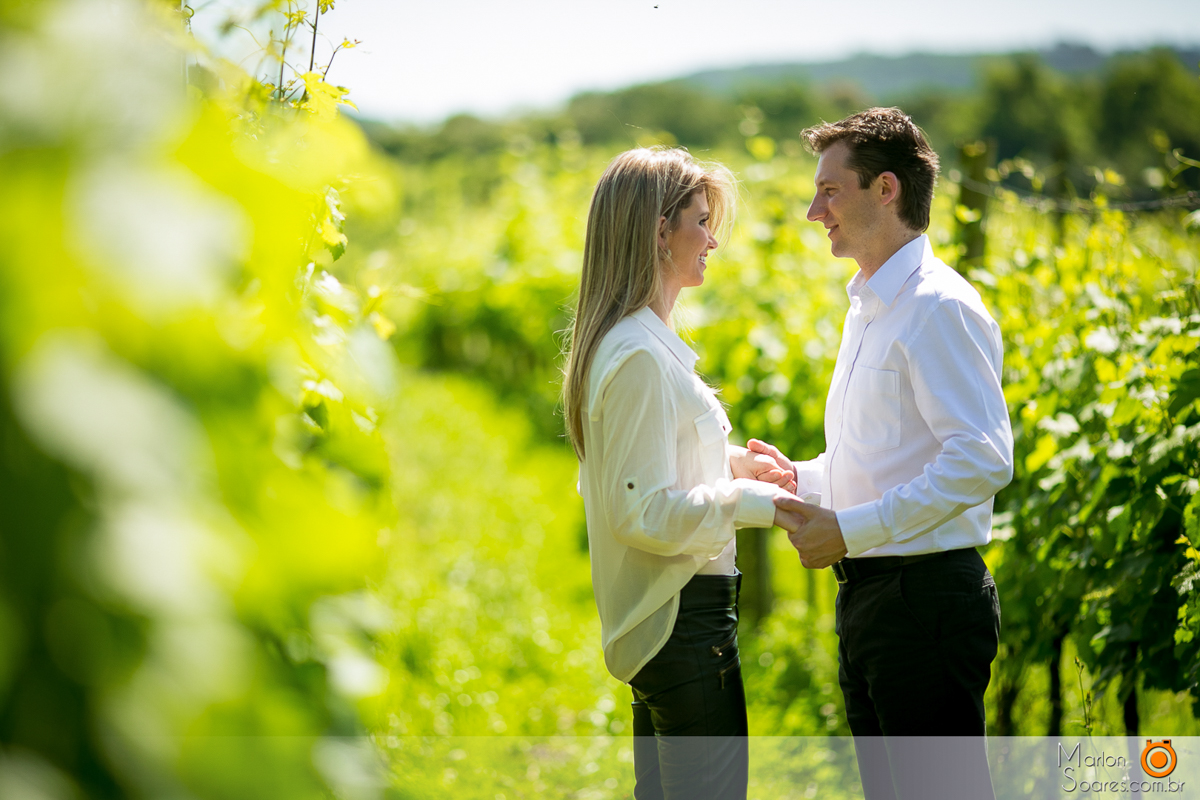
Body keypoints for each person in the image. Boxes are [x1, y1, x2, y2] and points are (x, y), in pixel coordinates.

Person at [749, 108, 1014, 800]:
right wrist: (802, 478)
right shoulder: (870, 304)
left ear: (886, 189)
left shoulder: (937, 307)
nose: (814, 211)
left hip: (924, 605)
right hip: (875, 602)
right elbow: (884, 452)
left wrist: (853, 529)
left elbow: (983, 458)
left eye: (830, 191)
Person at [563, 147, 802, 800]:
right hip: (683, 619)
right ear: (658, 231)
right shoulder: (639, 353)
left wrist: (734, 463)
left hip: (673, 618)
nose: (714, 240)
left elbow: (644, 461)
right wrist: (749, 499)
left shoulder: (639, 340)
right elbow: (641, 512)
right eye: (701, 220)